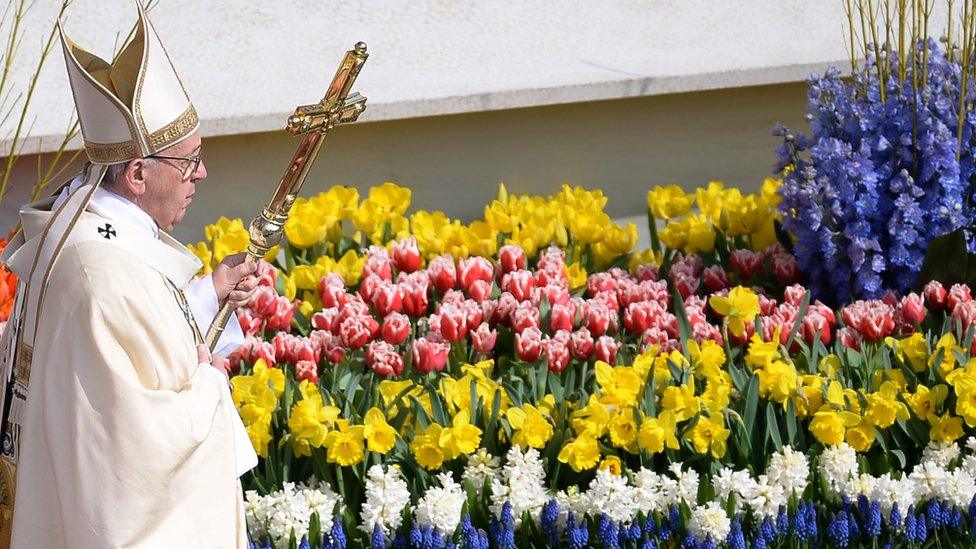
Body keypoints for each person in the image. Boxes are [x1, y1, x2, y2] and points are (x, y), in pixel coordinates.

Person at [0, 4, 259, 547]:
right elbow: (136, 452)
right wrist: (211, 384)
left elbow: (133, 343)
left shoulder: (74, 222)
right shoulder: (104, 274)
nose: (202, 174)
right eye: (190, 161)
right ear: (138, 174)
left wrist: (208, 296)